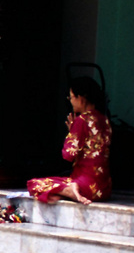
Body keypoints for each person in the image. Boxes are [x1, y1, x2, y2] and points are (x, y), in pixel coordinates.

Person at [28, 76, 111, 205]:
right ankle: (66, 192)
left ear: (81, 99)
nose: (70, 101)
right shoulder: (104, 120)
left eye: (71, 97)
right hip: (103, 188)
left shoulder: (81, 120)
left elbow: (68, 155)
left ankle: (70, 191)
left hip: (85, 186)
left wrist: (71, 132)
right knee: (55, 189)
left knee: (34, 184)